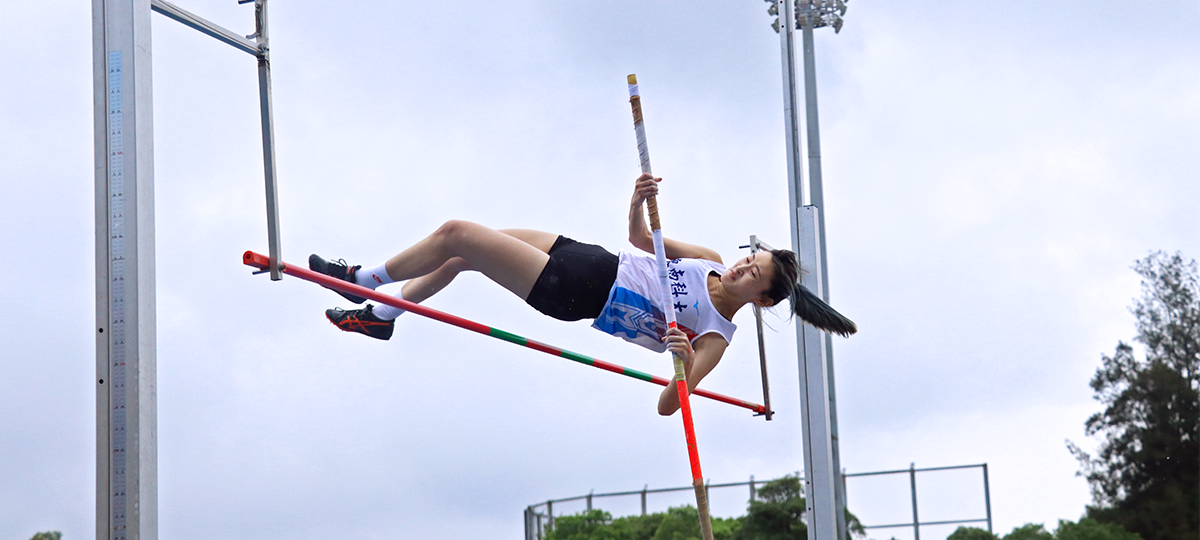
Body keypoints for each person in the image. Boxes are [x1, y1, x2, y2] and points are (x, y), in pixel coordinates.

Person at [310, 173, 856, 415]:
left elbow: (670, 406)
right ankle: (382, 315)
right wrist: (637, 200)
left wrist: (682, 364)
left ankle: (362, 279)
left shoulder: (715, 336)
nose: (740, 267)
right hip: (589, 255)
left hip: (578, 293)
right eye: (749, 259)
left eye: (751, 274)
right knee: (457, 258)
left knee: (457, 233)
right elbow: (640, 240)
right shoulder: (710, 259)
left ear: (762, 301)